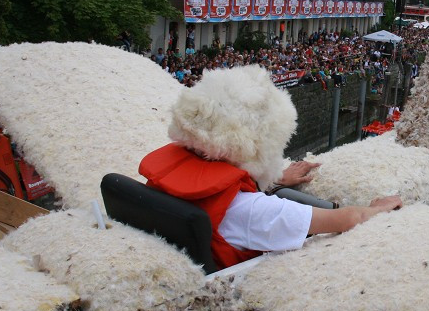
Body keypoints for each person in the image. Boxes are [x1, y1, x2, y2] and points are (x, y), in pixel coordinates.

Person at [139, 64, 401, 269]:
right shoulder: (255, 212)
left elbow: (219, 198)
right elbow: (350, 219)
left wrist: (275, 181)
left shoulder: (169, 181)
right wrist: (377, 207)